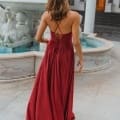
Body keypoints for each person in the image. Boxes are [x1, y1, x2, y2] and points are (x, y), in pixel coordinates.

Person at [26, 0, 83, 119]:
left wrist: (47, 41)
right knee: (62, 83)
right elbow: (76, 42)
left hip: (51, 52)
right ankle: (60, 112)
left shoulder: (46, 15)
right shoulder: (74, 16)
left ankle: (45, 111)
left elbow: (38, 37)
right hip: (66, 54)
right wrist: (81, 58)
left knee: (47, 81)